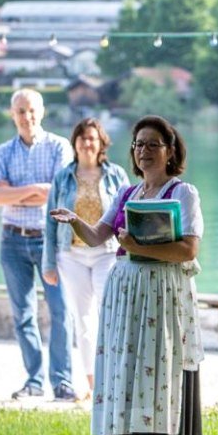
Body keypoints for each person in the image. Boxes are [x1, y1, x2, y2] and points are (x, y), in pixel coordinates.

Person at [51, 115, 203, 435]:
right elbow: (98, 236)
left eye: (153, 144)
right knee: (140, 367)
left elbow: (188, 248)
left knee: (156, 368)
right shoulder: (127, 194)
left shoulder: (183, 193)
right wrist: (74, 221)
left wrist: (137, 246)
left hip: (163, 290)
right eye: (138, 144)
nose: (144, 151)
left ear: (169, 151)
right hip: (129, 290)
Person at [0, 88, 75, 400]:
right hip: (11, 240)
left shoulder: (59, 147)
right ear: (13, 115)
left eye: (31, 110)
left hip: (50, 240)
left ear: (42, 112)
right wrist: (37, 189)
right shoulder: (3, 153)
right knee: (23, 315)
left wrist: (15, 191)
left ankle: (63, 381)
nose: (27, 117)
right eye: (20, 111)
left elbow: (60, 193)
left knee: (61, 311)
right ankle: (34, 382)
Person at [42, 117, 132, 402]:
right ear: (75, 143)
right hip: (71, 256)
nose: (86, 142)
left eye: (92, 137)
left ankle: (113, 380)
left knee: (110, 314)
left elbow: (130, 214)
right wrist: (49, 263)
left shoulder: (116, 175)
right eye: (82, 138)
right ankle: (94, 386)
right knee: (82, 319)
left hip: (106, 253)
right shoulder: (63, 177)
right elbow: (51, 222)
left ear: (101, 142)